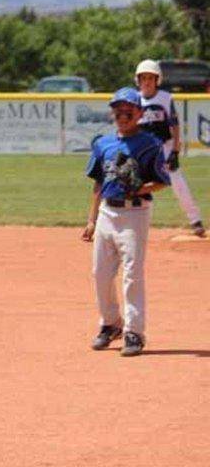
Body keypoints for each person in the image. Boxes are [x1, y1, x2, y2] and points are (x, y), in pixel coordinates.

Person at [82, 87, 171, 357]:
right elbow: (98, 183)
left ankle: (134, 332)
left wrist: (139, 188)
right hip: (107, 214)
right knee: (100, 273)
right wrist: (91, 220)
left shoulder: (150, 145)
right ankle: (111, 324)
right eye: (117, 110)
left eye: (128, 110)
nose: (122, 114)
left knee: (132, 276)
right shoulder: (103, 144)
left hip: (135, 214)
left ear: (139, 113)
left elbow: (162, 182)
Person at [134, 59, 205, 237]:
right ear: (138, 80)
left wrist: (174, 151)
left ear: (158, 79)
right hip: (144, 151)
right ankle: (136, 224)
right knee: (138, 186)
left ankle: (195, 220)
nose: (147, 81)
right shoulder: (135, 100)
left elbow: (175, 125)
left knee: (178, 183)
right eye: (144, 78)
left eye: (151, 77)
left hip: (164, 148)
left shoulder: (165, 98)